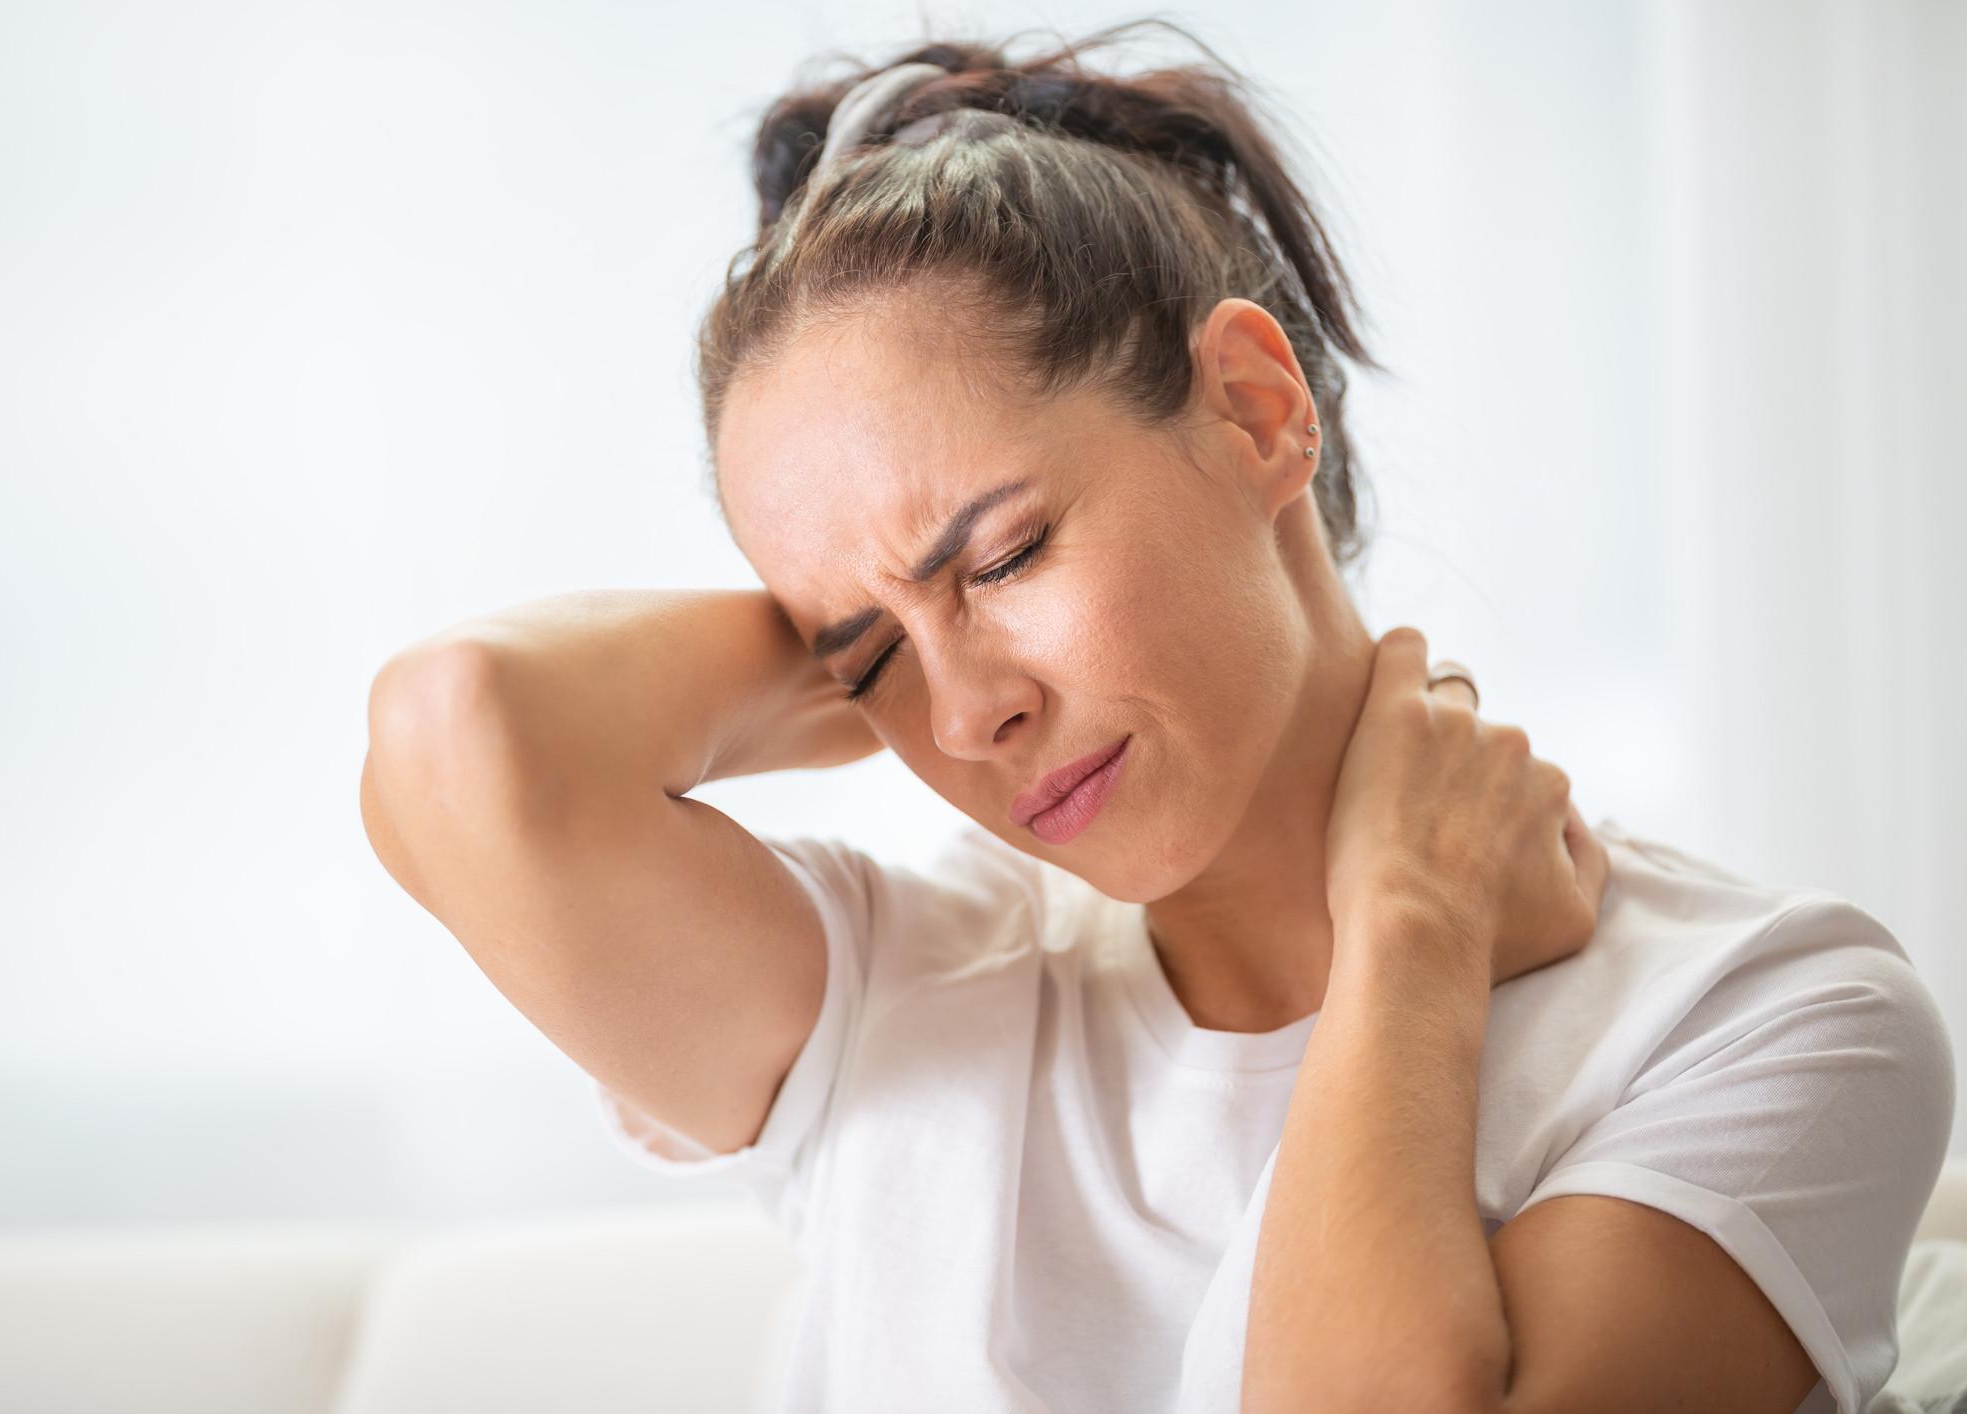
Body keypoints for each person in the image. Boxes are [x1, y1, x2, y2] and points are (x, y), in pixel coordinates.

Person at [358, 21, 1956, 1414]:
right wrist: (891, 641)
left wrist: (1405, 926)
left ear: (1257, 412)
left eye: (1003, 553)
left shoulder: (1765, 1016)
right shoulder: (896, 996)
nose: (968, 713)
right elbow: (460, 734)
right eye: (863, 657)